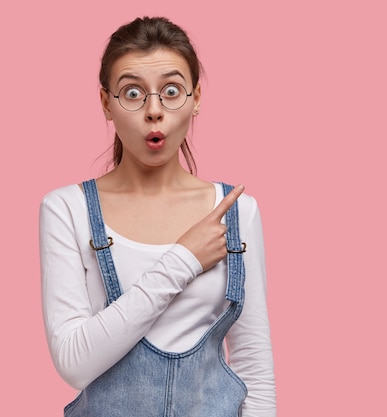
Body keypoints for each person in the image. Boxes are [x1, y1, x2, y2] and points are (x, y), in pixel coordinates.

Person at [39, 16, 276, 417]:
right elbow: (74, 362)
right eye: (132, 93)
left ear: (196, 97)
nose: (154, 111)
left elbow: (254, 363)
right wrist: (183, 260)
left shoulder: (237, 212)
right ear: (106, 104)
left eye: (171, 91)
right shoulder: (67, 209)